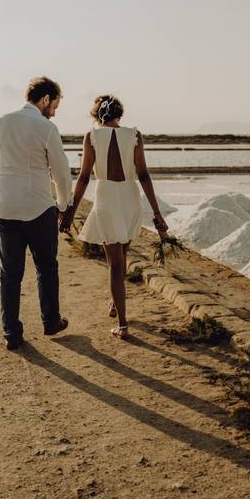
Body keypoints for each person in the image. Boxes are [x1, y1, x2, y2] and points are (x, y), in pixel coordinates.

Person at [59, 95, 168, 339]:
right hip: (131, 200)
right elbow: (144, 175)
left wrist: (69, 213)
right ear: (120, 115)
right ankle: (114, 303)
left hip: (107, 200)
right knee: (122, 257)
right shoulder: (134, 135)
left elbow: (85, 177)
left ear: (97, 116)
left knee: (115, 264)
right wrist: (157, 214)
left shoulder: (92, 136)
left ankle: (123, 323)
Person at [0, 77, 72, 349]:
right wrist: (64, 205)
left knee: (9, 273)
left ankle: (12, 334)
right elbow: (61, 173)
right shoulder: (46, 128)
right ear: (44, 99)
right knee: (46, 267)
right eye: (54, 105)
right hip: (38, 207)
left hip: (5, 208)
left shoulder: (1, 123)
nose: (54, 111)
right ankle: (51, 322)